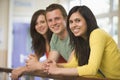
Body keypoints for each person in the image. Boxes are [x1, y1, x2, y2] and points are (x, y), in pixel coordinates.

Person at [45, 5, 120, 79]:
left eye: (78, 20)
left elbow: (92, 69)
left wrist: (57, 70)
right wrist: (56, 65)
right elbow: (73, 65)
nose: (73, 25)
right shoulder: (82, 41)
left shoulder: (97, 33)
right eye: (71, 22)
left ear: (87, 21)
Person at [11, 9, 65, 80]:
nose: (39, 26)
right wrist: (21, 68)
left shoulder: (56, 39)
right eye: (36, 24)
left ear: (48, 22)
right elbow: (33, 63)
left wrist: (23, 69)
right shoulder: (41, 43)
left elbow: (48, 65)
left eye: (42, 22)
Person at [25, 3, 74, 72]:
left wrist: (37, 65)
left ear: (66, 19)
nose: (53, 23)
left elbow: (71, 66)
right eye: (50, 20)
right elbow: (50, 62)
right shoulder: (55, 37)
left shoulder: (74, 34)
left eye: (57, 18)